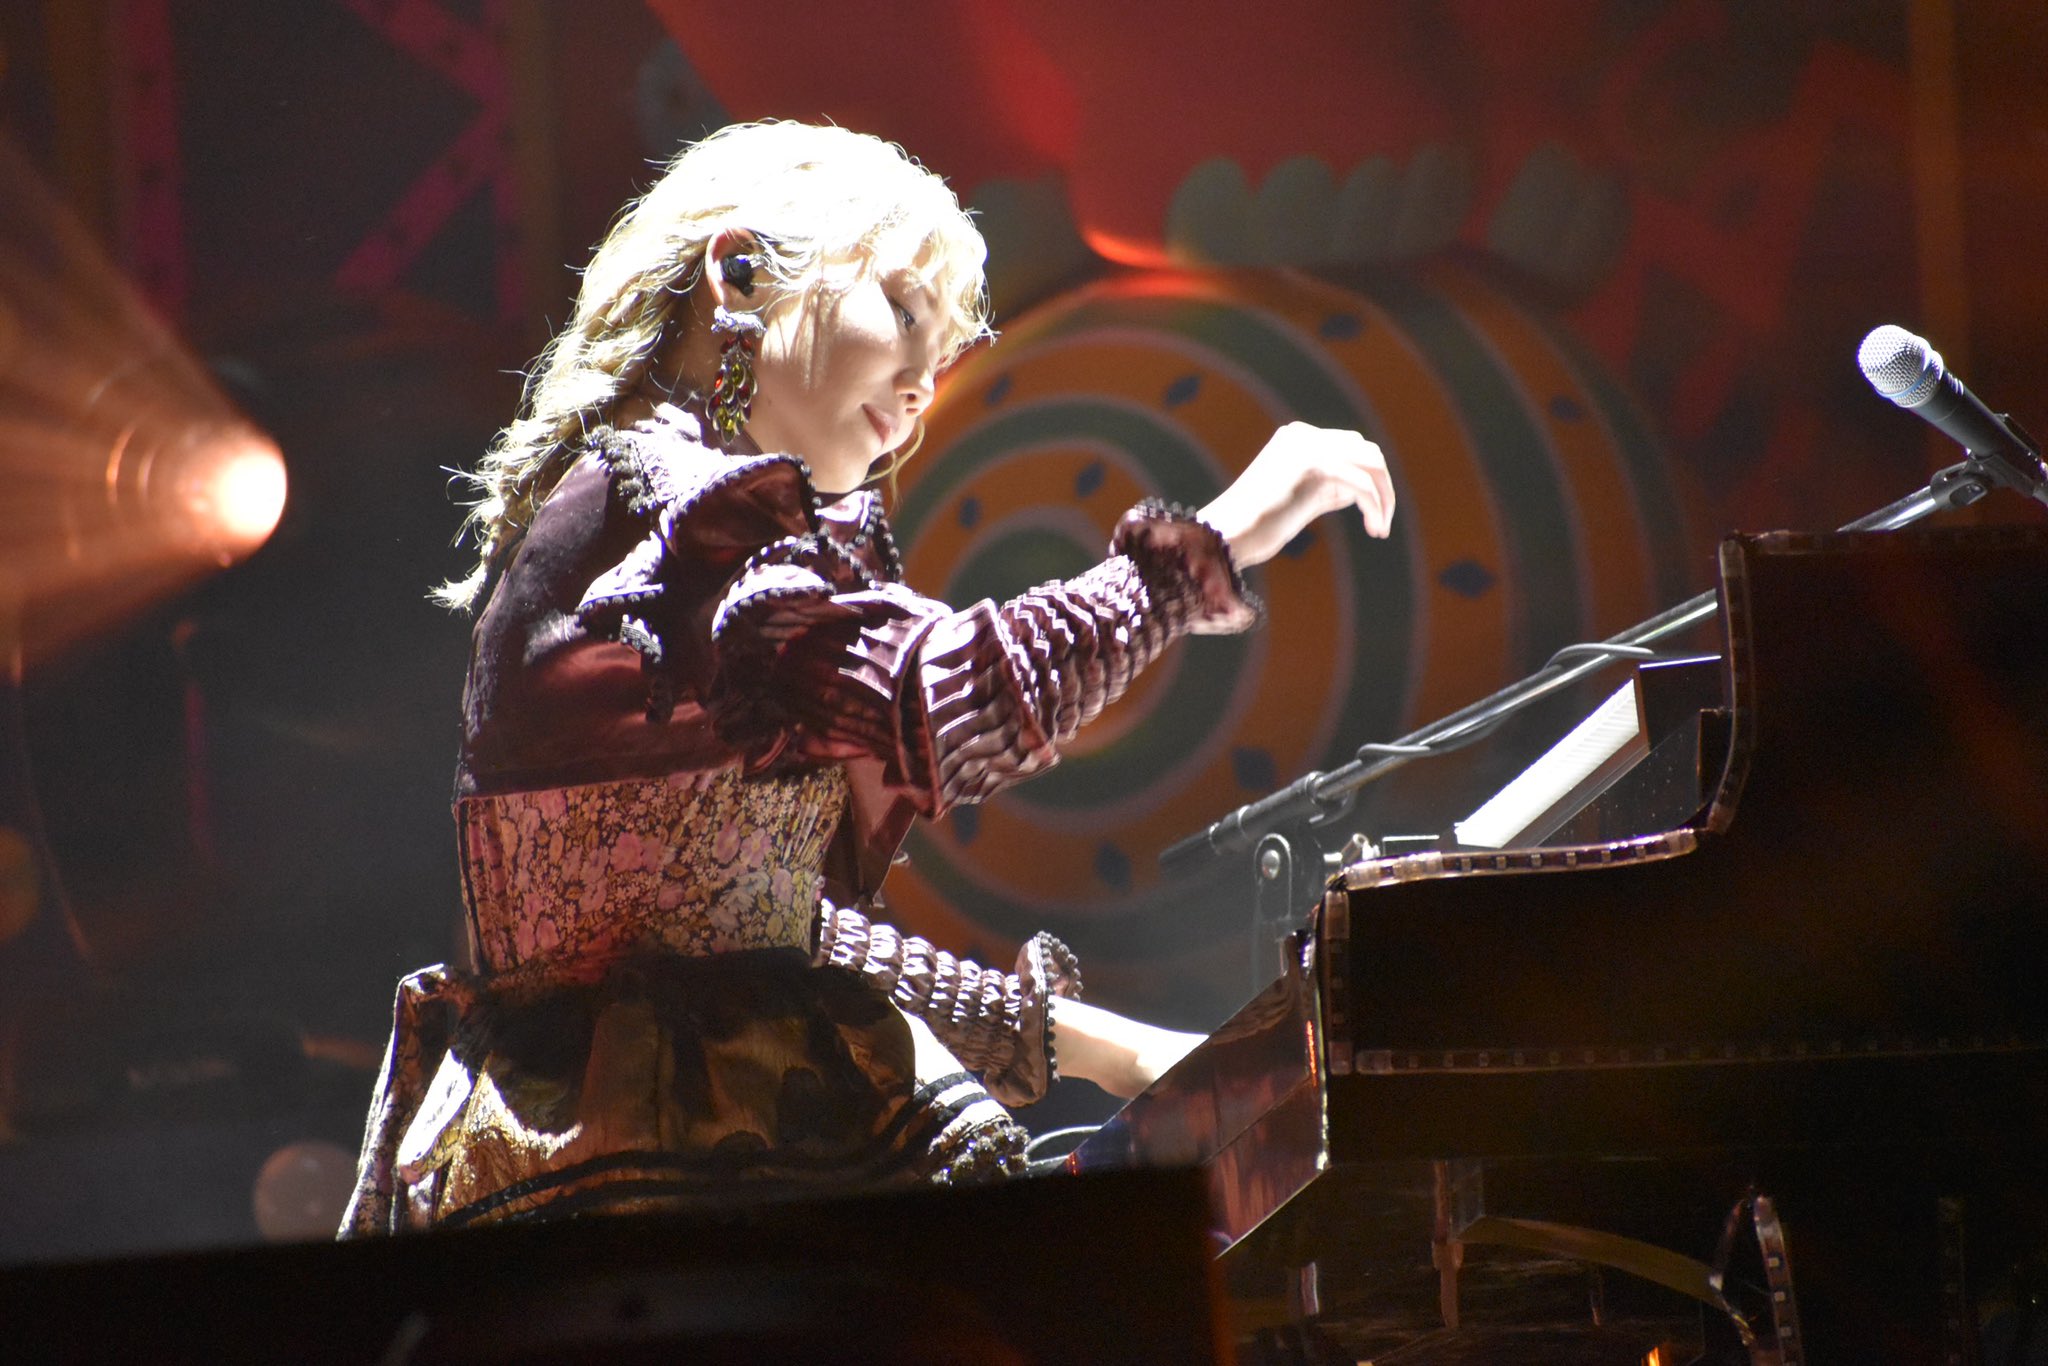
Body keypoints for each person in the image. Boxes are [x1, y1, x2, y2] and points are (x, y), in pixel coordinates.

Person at [340, 121, 1394, 1236]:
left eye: (941, 349)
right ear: (738, 273)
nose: (923, 381)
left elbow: (768, 941)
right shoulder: (684, 519)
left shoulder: (649, 514)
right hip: (656, 1192)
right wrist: (1215, 541)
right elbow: (951, 701)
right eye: (901, 309)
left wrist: (1109, 1050)